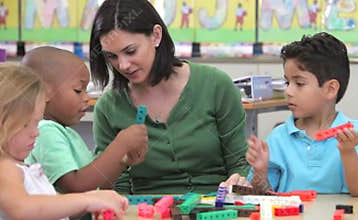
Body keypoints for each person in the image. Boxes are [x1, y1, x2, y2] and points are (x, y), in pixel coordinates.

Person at [89, 0, 250, 194]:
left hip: (215, 207)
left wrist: (239, 181)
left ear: (156, 35)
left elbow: (240, 163)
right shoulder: (109, 108)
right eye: (111, 57)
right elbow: (116, 190)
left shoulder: (215, 85)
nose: (122, 65)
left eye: (130, 51)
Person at [246, 32, 358, 197]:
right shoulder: (278, 137)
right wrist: (260, 172)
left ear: (330, 89)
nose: (288, 91)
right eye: (288, 82)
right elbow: (263, 193)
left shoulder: (356, 133)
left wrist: (348, 152)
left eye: (299, 83)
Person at [0, 63, 128, 220]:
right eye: (25, 125)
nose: (36, 133)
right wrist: (87, 200)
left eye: (37, 122)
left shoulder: (23, 170)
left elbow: (56, 208)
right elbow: (23, 209)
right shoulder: (2, 168)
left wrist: (97, 200)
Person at [22, 46, 148, 193]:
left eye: (86, 91)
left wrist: (122, 162)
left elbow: (97, 184)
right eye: (78, 90)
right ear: (44, 92)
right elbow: (75, 186)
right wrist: (121, 144)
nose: (86, 98)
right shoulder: (45, 132)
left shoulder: (66, 133)